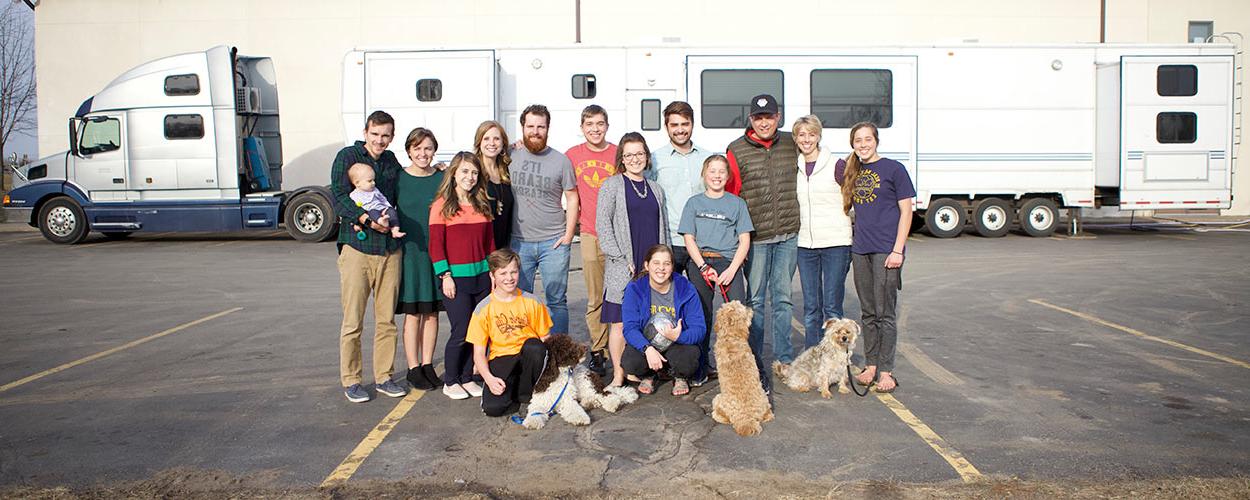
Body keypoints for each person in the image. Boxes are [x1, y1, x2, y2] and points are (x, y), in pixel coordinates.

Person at [724, 94, 800, 393]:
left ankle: (783, 359)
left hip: (788, 235)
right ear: (751, 119)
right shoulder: (736, 150)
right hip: (756, 239)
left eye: (769, 116)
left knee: (782, 300)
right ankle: (753, 359)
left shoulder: (790, 144)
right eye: (758, 117)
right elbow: (731, 195)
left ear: (778, 117)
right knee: (754, 302)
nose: (764, 121)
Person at [330, 110, 408, 403]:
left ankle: (384, 377)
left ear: (392, 136)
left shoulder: (390, 162)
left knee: (386, 320)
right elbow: (338, 196)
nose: (380, 140)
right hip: (357, 249)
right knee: (353, 321)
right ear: (366, 132)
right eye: (375, 134)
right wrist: (365, 219)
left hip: (389, 251)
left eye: (386, 135)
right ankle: (351, 380)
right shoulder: (347, 157)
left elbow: (405, 190)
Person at [839, 121, 915, 394]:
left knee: (886, 314)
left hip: (886, 250)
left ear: (876, 140)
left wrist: (898, 250)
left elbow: (906, 212)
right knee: (869, 312)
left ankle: (886, 371)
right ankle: (870, 364)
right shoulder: (852, 171)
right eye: (857, 140)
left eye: (867, 139)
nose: (863, 144)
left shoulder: (894, 169)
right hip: (861, 249)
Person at [596, 132, 668, 387]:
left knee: (644, 320)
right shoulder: (612, 185)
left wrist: (665, 262)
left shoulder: (656, 189)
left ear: (647, 157)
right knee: (620, 323)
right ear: (622, 159)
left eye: (639, 154)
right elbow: (602, 225)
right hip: (624, 264)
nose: (635, 159)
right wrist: (618, 256)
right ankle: (617, 373)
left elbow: (664, 229)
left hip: (652, 267)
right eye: (629, 155)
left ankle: (636, 368)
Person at [678, 154, 752, 385]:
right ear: (704, 174)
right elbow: (689, 238)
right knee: (702, 315)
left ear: (727, 175)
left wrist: (732, 269)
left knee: (738, 316)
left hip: (729, 263)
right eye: (712, 171)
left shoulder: (736, 203)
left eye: (722, 171)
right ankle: (701, 366)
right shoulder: (694, 203)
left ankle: (740, 368)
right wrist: (702, 266)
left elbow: (745, 239)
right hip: (702, 262)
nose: (717, 175)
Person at [430, 152, 496, 400]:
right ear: (454, 173)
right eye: (465, 172)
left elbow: (490, 243)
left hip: (481, 277)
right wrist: (445, 275)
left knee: (477, 331)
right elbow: (436, 246)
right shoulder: (441, 206)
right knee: (460, 330)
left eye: (474, 173)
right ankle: (451, 379)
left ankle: (467, 377)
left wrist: (493, 272)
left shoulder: (482, 204)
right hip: (456, 279)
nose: (470, 177)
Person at [510, 104, 577, 336]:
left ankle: (560, 356)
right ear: (522, 127)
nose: (535, 131)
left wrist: (569, 235)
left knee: (556, 300)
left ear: (548, 128)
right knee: (519, 298)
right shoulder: (509, 156)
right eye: (530, 126)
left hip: (554, 242)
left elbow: (572, 196)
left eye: (541, 126)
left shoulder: (561, 161)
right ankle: (523, 351)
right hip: (518, 242)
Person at [565, 105, 618, 377]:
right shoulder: (572, 156)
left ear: (607, 126)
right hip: (590, 233)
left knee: (619, 295)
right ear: (582, 127)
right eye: (589, 124)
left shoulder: (618, 153)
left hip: (619, 235)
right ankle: (598, 350)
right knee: (596, 297)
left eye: (599, 124)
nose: (595, 129)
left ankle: (621, 349)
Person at [468, 248, 553, 417]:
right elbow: (478, 353)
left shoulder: (532, 301)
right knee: (494, 408)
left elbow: (546, 339)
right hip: (502, 358)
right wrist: (489, 379)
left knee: (535, 347)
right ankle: (511, 389)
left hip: (528, 357)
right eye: (503, 273)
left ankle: (526, 392)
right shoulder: (483, 309)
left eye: (513, 272)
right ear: (492, 276)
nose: (509, 278)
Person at [792, 115, 852, 350]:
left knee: (832, 307)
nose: (807, 139)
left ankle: (835, 360)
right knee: (811, 308)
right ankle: (813, 358)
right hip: (806, 245)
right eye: (802, 135)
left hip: (836, 243)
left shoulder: (837, 165)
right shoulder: (795, 167)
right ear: (796, 138)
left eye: (811, 134)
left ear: (819, 136)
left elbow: (853, 199)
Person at [395, 127, 445, 392]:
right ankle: (413, 368)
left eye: (427, 148)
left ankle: (427, 364)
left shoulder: (442, 177)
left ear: (434, 150)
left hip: (436, 252)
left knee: (432, 312)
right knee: (413, 313)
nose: (423, 154)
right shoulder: (398, 179)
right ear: (409, 151)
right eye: (417, 149)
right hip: (410, 254)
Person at [621, 244, 706, 396]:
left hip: (677, 345)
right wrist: (647, 348)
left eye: (666, 264)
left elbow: (699, 329)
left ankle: (679, 376)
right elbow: (629, 328)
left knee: (689, 359)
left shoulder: (686, 288)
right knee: (630, 361)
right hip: (649, 343)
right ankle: (649, 375)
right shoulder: (635, 288)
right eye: (656, 263)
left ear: (672, 267)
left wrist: (679, 336)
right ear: (647, 265)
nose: (661, 268)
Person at [649, 101, 712, 276]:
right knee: (669, 298)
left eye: (685, 124)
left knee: (700, 299)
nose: (680, 130)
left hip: (702, 241)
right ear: (666, 127)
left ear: (692, 124)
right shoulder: (655, 160)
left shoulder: (707, 158)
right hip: (670, 241)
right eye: (674, 125)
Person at [474, 120, 515, 250]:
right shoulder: (473, 172)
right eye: (486, 138)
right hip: (481, 247)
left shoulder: (508, 171)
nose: (491, 143)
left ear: (503, 143)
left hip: (504, 246)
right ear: (479, 142)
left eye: (496, 139)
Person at [347, 163, 405, 239]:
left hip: (382, 208)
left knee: (393, 212)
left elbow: (383, 199)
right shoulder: (354, 195)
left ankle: (395, 230)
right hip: (370, 212)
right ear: (357, 183)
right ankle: (381, 221)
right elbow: (353, 210)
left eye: (373, 180)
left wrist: (387, 207)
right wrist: (355, 224)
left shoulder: (375, 190)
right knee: (373, 212)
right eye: (369, 181)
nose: (373, 183)